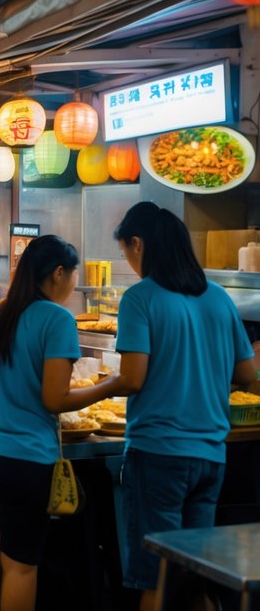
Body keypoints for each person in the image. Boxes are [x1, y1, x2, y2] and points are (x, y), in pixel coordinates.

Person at [111, 202, 260, 611]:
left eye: (125, 250)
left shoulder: (140, 298)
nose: (128, 260)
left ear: (138, 244)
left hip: (158, 453)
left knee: (155, 576)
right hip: (212, 455)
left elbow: (133, 377)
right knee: (197, 575)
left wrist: (82, 393)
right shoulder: (217, 298)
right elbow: (247, 373)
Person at [0, 235, 122, 611]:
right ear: (57, 273)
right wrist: (112, 385)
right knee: (21, 565)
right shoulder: (56, 318)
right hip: (24, 456)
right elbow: (55, 399)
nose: (73, 285)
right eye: (73, 276)